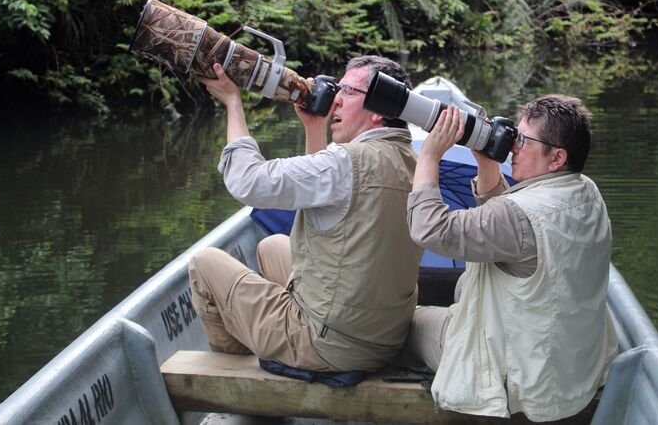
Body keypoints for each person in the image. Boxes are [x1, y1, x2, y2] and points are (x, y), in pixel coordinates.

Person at [188, 56, 423, 373]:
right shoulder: (414, 161)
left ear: (379, 109)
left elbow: (247, 182)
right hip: (382, 335)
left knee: (204, 264)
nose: (335, 99)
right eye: (338, 89)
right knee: (272, 246)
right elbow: (329, 196)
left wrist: (233, 102)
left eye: (349, 92)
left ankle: (237, 384)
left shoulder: (345, 161)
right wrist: (316, 128)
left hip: (330, 344)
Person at [405, 95, 618, 421]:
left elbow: (430, 229)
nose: (513, 147)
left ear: (557, 157)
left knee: (406, 320)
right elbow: (513, 230)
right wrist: (487, 163)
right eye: (514, 136)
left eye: (523, 140)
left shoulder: (518, 215)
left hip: (515, 376)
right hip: (563, 367)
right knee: (455, 291)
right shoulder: (585, 191)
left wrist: (430, 155)